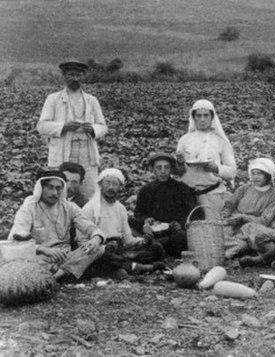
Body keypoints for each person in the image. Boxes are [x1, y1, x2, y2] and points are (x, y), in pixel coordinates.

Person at [8, 171, 105, 282]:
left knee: (98, 248)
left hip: (65, 257)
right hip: (40, 257)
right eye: (50, 188)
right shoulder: (29, 208)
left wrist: (96, 239)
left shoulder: (69, 207)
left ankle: (57, 275)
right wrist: (44, 250)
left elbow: (90, 227)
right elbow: (16, 240)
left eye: (59, 188)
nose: (55, 193)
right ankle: (63, 273)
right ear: (41, 188)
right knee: (24, 264)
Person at [37, 60, 108, 199]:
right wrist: (63, 126)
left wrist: (92, 129)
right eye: (71, 75)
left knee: (89, 193)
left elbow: (103, 126)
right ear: (64, 76)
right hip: (63, 153)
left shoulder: (91, 100)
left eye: (78, 75)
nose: (75, 78)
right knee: (61, 192)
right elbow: (41, 126)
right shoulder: (53, 99)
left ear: (83, 76)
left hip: (87, 153)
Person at [81, 169, 165, 277]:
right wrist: (99, 247)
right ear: (100, 185)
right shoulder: (90, 208)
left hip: (120, 250)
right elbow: (82, 241)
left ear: (120, 187)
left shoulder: (120, 208)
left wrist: (142, 241)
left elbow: (128, 239)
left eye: (115, 184)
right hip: (100, 250)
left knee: (156, 247)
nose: (111, 187)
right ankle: (139, 267)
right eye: (107, 183)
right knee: (106, 256)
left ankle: (124, 266)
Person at [176, 99, 237, 220]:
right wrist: (180, 163)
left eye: (206, 115)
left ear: (212, 117)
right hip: (187, 195)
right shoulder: (184, 140)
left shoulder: (220, 141)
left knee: (211, 231)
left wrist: (215, 168)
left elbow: (232, 171)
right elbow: (179, 172)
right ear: (193, 117)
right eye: (199, 115)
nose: (202, 119)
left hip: (212, 195)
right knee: (189, 230)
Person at [131, 152, 198, 257]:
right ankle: (152, 245)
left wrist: (180, 224)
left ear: (171, 169)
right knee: (129, 222)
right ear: (152, 169)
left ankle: (152, 247)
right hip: (151, 231)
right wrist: (146, 220)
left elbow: (195, 213)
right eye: (159, 167)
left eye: (166, 167)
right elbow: (138, 213)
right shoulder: (146, 190)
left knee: (181, 237)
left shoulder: (182, 189)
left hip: (173, 233)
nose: (163, 171)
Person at [223, 158, 275, 259]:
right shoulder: (244, 189)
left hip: (253, 229)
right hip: (234, 228)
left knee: (242, 245)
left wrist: (243, 217)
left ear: (268, 175)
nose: (255, 177)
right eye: (253, 173)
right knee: (222, 237)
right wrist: (227, 217)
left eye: (259, 173)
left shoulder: (274, 196)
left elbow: (264, 221)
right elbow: (229, 206)